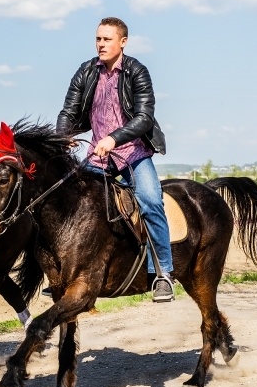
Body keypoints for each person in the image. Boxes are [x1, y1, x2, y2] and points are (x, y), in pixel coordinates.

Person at [56, 16, 173, 302]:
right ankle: (66, 275)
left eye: (107, 39)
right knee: (66, 198)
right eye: (98, 39)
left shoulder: (137, 71)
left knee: (150, 201)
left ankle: (162, 273)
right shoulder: (86, 71)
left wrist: (113, 139)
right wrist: (63, 135)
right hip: (97, 157)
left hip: (133, 154)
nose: (101, 44)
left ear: (123, 42)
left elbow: (144, 118)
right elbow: (68, 111)